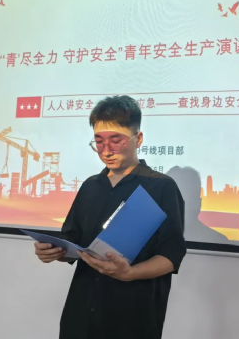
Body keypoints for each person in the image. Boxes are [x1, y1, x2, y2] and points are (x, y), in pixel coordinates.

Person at [33, 95, 186, 339]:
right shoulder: (90, 186)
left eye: (116, 141)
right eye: (99, 142)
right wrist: (54, 251)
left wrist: (130, 273)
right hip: (81, 311)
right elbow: (73, 239)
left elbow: (171, 255)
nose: (106, 150)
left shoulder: (161, 187)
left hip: (132, 315)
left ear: (138, 139)